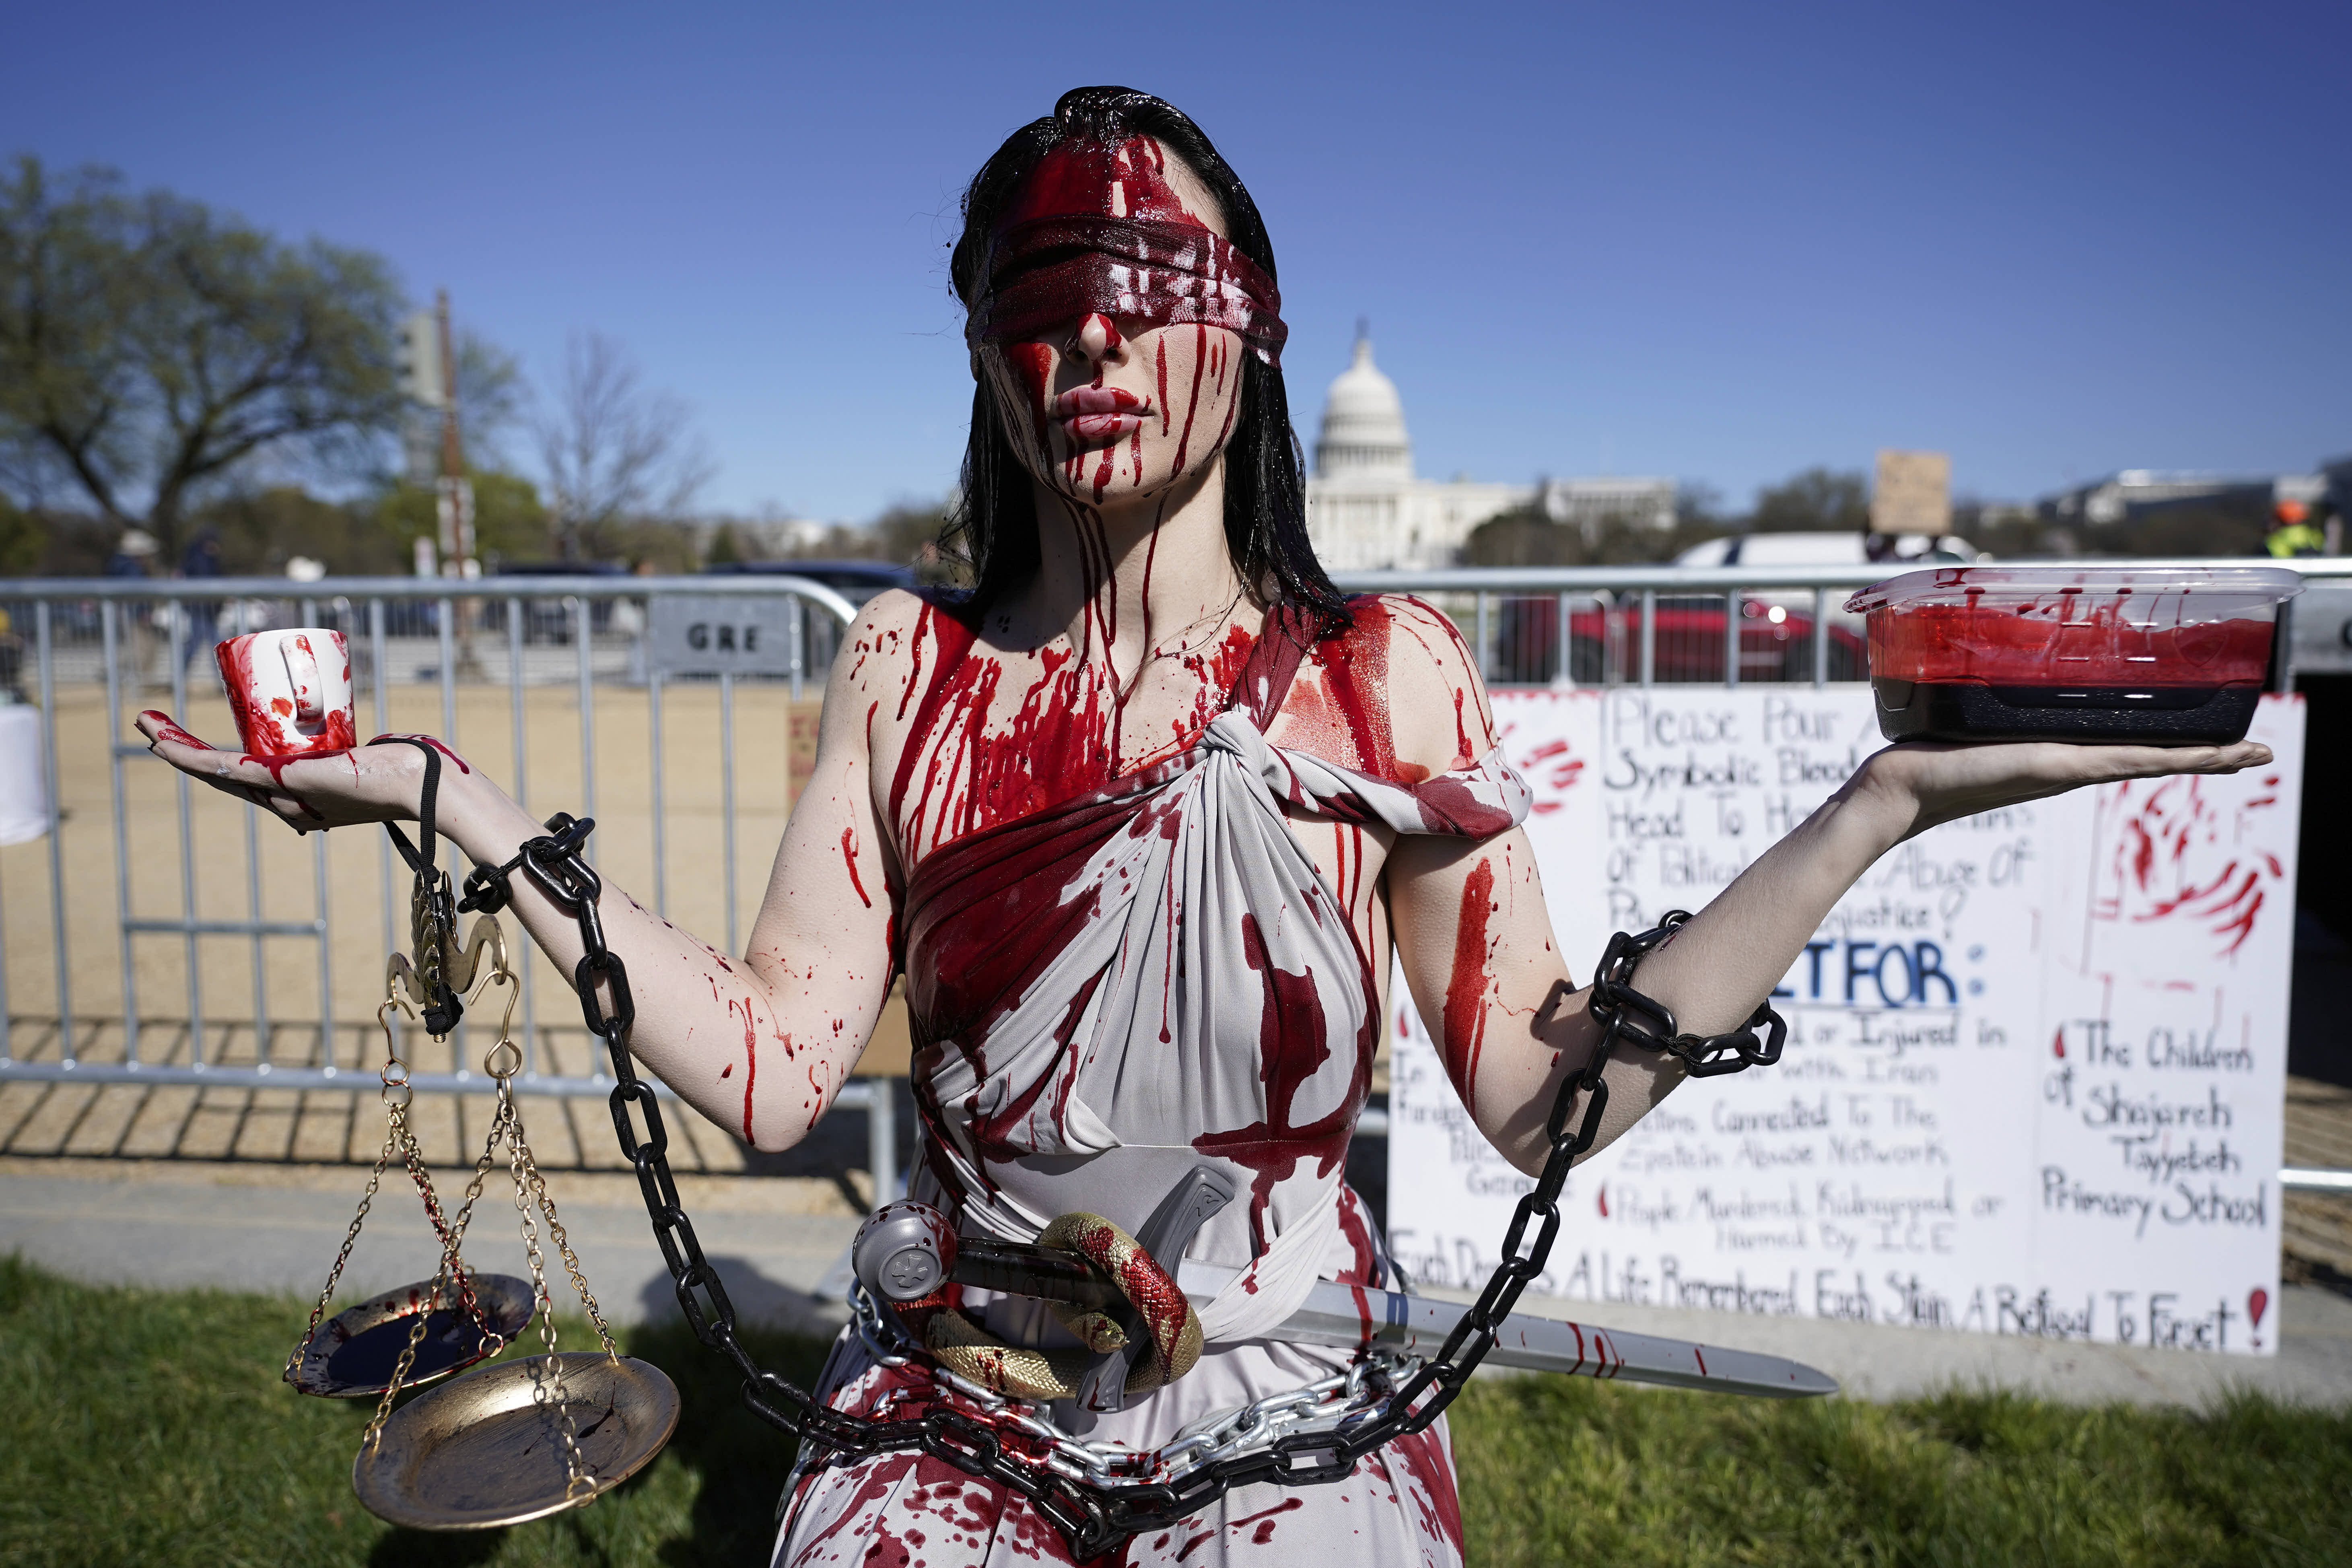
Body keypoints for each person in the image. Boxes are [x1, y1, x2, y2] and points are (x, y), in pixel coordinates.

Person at [137, 87, 2272, 1567]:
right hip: (957, 1376)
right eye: (1027, 301)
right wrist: (454, 803)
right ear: (979, 355)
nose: (1082, 343)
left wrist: (1873, 806)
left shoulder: (1385, 674)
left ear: (1242, 327)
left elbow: (1533, 1099)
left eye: (1136, 285)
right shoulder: (909, 674)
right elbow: (778, 1067)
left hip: (1283, 1375)